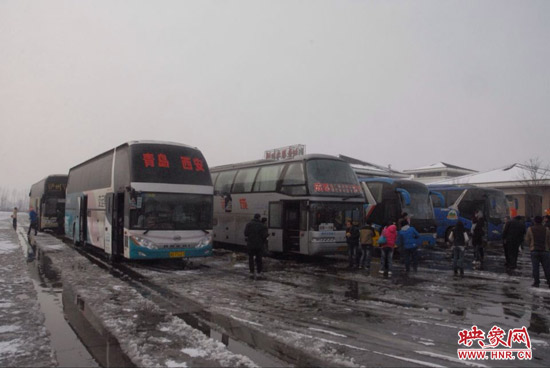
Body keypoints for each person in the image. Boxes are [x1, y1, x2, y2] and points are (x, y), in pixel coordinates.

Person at [524, 216, 550, 288]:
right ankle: (549, 281)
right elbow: (549, 240)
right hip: (545, 250)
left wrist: (531, 246)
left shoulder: (530, 229)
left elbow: (527, 239)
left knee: (535, 268)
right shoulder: (546, 229)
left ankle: (536, 282)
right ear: (542, 221)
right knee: (547, 267)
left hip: (534, 250)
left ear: (534, 221)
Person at [244, 213, 268, 278]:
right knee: (259, 259)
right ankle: (259, 272)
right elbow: (265, 235)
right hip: (259, 245)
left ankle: (251, 272)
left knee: (251, 258)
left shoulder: (248, 224)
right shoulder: (262, 226)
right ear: (259, 218)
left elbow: (246, 233)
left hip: (250, 244)